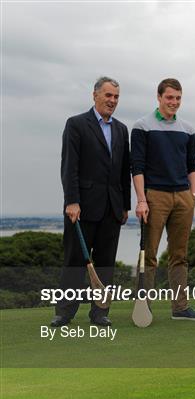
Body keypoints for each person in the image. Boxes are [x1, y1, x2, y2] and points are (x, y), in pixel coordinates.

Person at [51, 76, 131, 327]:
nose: (112, 101)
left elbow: (123, 171)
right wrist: (71, 201)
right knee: (75, 261)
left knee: (106, 264)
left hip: (112, 208)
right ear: (95, 95)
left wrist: (125, 205)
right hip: (82, 207)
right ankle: (64, 313)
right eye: (108, 95)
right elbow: (69, 167)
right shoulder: (76, 125)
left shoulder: (121, 129)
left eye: (116, 97)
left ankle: (100, 313)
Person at [131, 78, 195, 321]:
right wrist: (142, 200)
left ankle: (180, 308)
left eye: (178, 98)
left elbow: (193, 165)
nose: (174, 102)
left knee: (179, 254)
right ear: (159, 97)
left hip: (183, 197)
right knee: (149, 254)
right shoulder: (142, 125)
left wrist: (193, 195)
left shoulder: (187, 129)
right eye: (169, 97)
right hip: (155, 197)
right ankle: (144, 307)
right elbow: (137, 167)